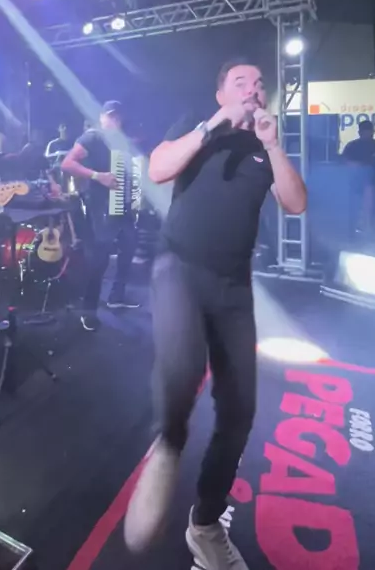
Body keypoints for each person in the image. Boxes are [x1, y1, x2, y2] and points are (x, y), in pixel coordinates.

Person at [124, 60, 307, 569]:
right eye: (241, 83)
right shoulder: (196, 124)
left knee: (240, 409)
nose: (253, 90)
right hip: (179, 267)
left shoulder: (263, 147)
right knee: (182, 367)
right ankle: (169, 442)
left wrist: (273, 144)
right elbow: (157, 169)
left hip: (233, 285)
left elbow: (295, 203)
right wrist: (213, 124)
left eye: (259, 84)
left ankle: (205, 524)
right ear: (221, 92)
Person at [61, 101, 140, 329]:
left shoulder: (120, 140)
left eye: (119, 116)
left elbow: (130, 171)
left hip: (121, 204)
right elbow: (67, 163)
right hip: (100, 204)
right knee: (100, 258)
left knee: (129, 246)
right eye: (111, 116)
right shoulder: (92, 137)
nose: (116, 120)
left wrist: (135, 192)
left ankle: (116, 296)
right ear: (102, 116)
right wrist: (98, 176)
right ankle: (88, 310)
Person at [342, 119, 375, 232]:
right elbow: (343, 163)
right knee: (367, 182)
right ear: (359, 132)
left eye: (369, 131)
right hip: (354, 183)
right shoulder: (352, 146)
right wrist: (358, 166)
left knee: (370, 186)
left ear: (373, 132)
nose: (367, 133)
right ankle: (363, 222)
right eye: (364, 131)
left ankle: (370, 222)